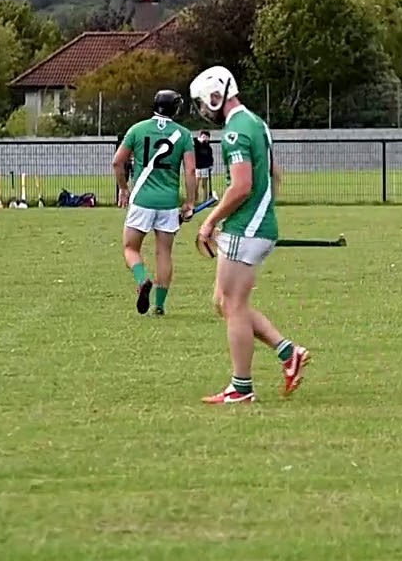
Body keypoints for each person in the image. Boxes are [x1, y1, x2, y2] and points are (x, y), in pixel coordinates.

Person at [190, 65, 309, 405]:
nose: (203, 109)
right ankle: (288, 353)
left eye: (203, 102)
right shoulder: (254, 122)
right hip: (255, 225)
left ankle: (241, 387)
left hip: (247, 227)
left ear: (217, 95)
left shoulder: (234, 132)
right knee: (223, 302)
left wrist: (209, 221)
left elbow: (241, 186)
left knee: (233, 304)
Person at [111, 90, 197, 316]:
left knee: (130, 248)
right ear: (175, 109)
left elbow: (117, 162)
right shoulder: (184, 134)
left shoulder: (137, 130)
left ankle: (142, 280)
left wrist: (123, 188)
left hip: (142, 199)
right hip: (168, 203)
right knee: (164, 253)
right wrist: (189, 202)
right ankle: (159, 305)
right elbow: (190, 170)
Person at [194, 129, 215, 200]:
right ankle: (195, 198)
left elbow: (210, 157)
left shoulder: (208, 148)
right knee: (196, 183)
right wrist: (199, 141)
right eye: (203, 136)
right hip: (197, 167)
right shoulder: (196, 144)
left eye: (206, 137)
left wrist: (211, 164)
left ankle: (205, 199)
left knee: (204, 184)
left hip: (205, 167)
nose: (205, 138)